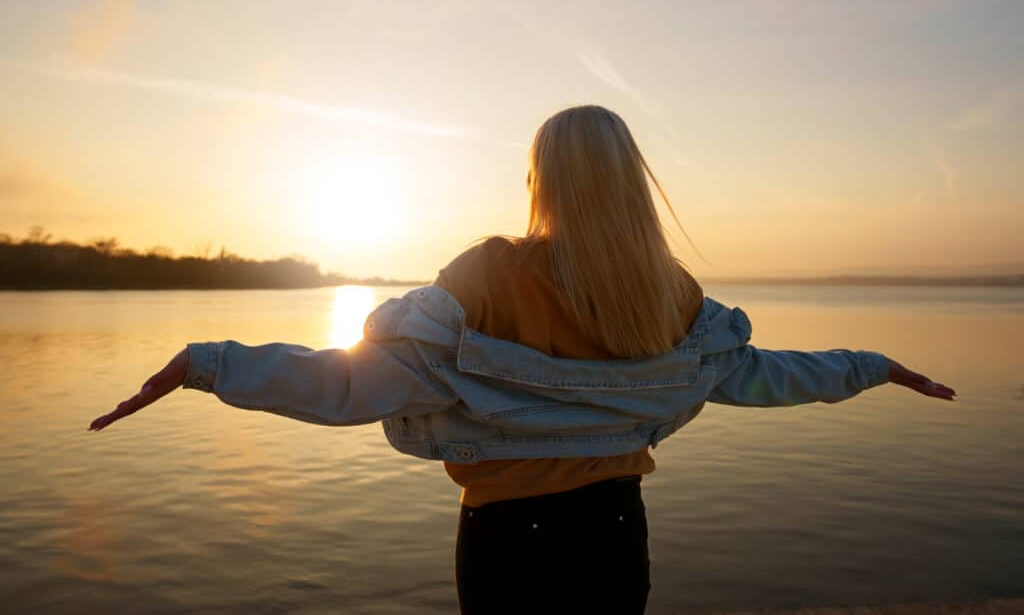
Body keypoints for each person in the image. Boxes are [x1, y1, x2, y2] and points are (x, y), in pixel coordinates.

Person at [88, 105, 957, 614]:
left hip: (509, 539)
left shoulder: (492, 272)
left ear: (540, 177)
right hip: (617, 531)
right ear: (632, 180)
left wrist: (211, 364)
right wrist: (868, 365)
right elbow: (761, 376)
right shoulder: (673, 290)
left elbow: (352, 383)